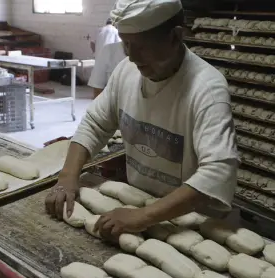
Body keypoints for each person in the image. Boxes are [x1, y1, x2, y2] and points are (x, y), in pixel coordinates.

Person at [45, 0, 238, 241]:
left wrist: (144, 216)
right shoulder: (127, 71)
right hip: (141, 201)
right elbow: (95, 123)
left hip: (193, 221)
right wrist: (67, 177)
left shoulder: (206, 90)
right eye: (126, 45)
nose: (133, 57)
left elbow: (218, 172)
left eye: (142, 46)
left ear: (176, 37)